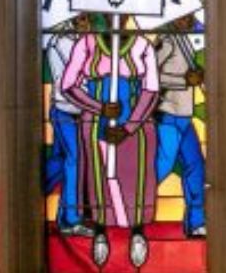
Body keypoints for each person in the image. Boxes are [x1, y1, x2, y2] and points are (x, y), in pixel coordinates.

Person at [61, 15, 161, 268]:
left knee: (135, 178)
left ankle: (137, 232)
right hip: (96, 123)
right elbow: (68, 85)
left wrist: (130, 126)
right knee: (97, 178)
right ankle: (100, 232)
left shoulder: (142, 46)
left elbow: (151, 89)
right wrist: (99, 108)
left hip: (135, 124)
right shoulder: (86, 44)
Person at [154, 15, 208, 238]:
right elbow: (150, 75)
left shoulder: (186, 41)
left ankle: (195, 223)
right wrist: (184, 81)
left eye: (191, 17)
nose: (190, 20)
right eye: (185, 17)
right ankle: (130, 211)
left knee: (196, 167)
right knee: (160, 168)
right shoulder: (165, 40)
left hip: (184, 116)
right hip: (167, 115)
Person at [44, 18, 94, 237]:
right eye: (82, 18)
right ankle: (69, 220)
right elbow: (76, 78)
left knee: (61, 160)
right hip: (66, 110)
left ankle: (34, 194)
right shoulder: (63, 42)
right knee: (76, 160)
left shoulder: (76, 40)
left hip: (76, 110)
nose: (87, 23)